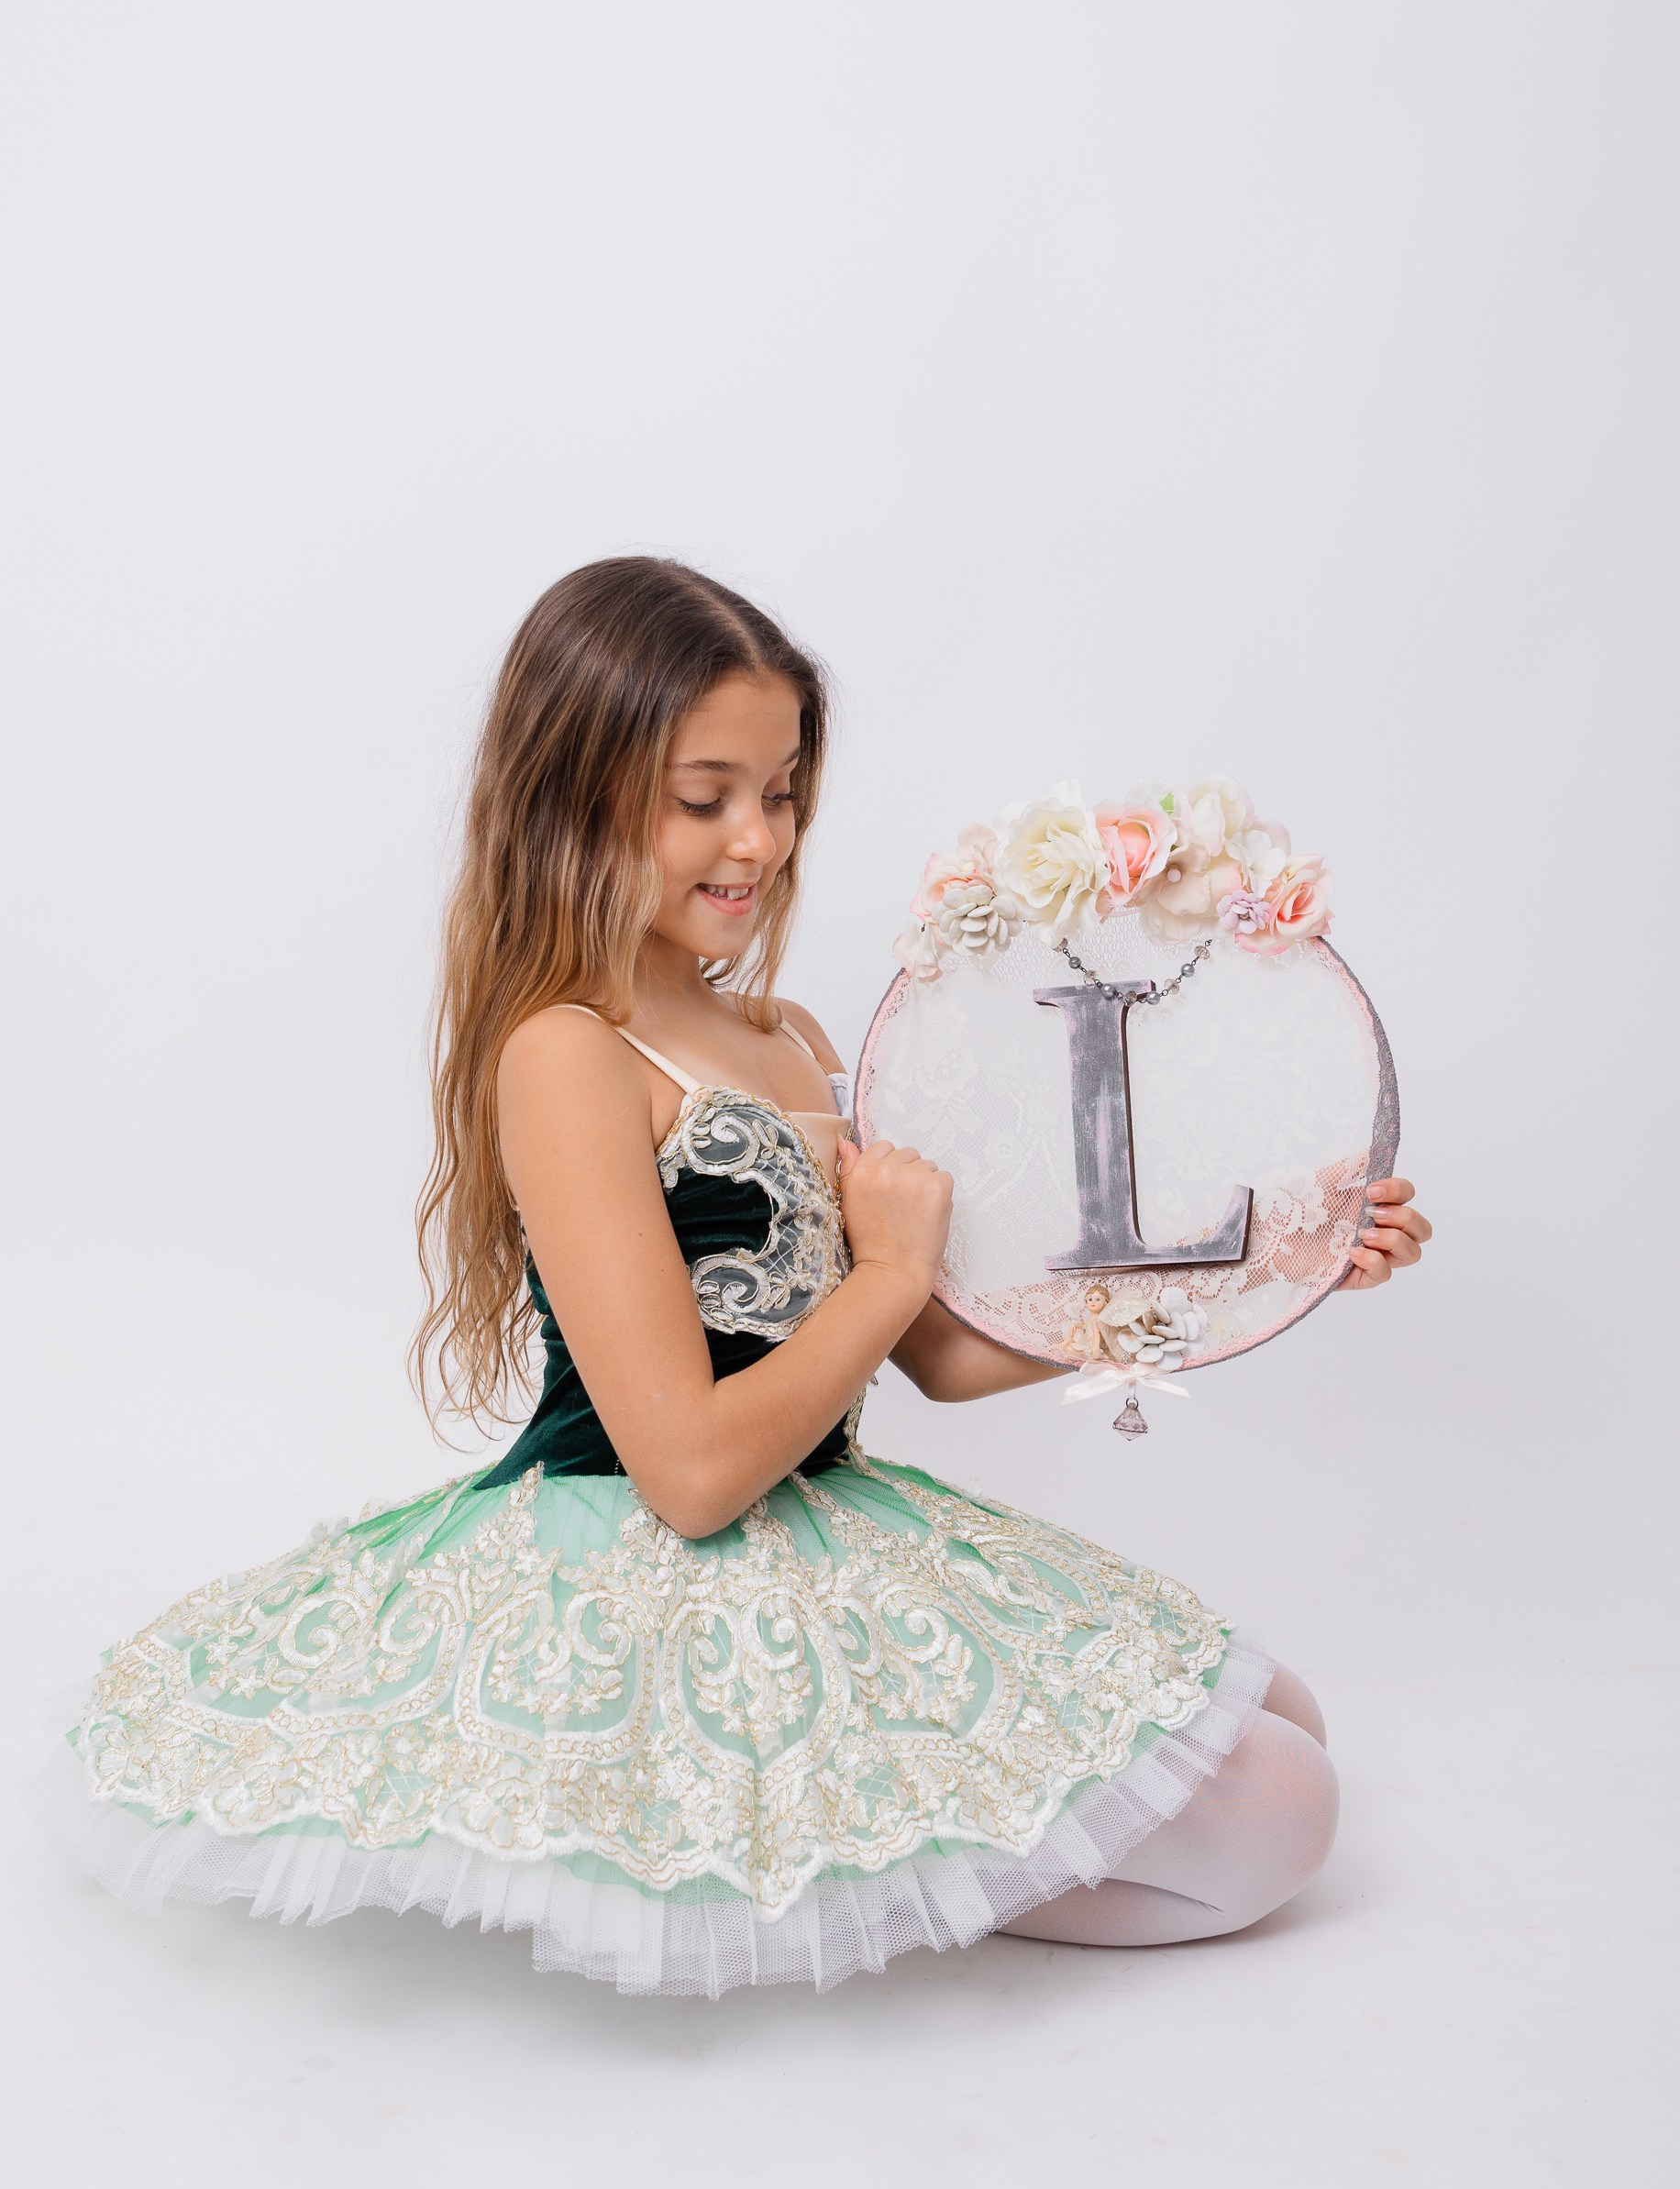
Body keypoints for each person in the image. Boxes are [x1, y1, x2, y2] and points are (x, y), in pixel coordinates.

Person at [43, 558, 1431, 1996]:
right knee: (1283, 1813)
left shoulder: (792, 1037)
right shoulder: (567, 1053)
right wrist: (889, 1270)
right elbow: (692, 1475)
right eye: (702, 797)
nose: (757, 839)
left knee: (1286, 1715)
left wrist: (1270, 1262)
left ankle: (913, 1852)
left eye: (780, 793)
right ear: (574, 796)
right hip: (656, 1541)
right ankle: (879, 1871)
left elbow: (945, 1357)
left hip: (824, 1502)